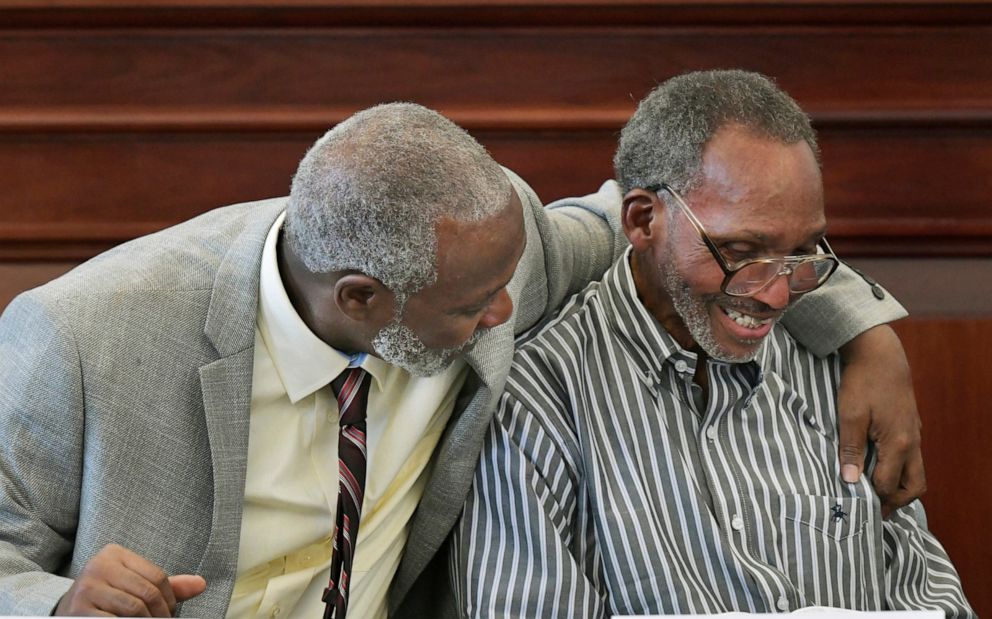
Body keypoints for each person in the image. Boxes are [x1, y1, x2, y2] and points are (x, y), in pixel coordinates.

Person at [0, 101, 913, 618]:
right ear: (361, 296)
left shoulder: (492, 244)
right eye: (475, 309)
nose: (506, 313)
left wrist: (871, 334)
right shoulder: (80, 337)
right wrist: (57, 605)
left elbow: (693, 228)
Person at [453, 71, 973, 618]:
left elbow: (929, 595)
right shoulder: (539, 400)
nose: (776, 296)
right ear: (642, 219)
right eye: (741, 251)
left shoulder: (841, 370)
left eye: (802, 254)